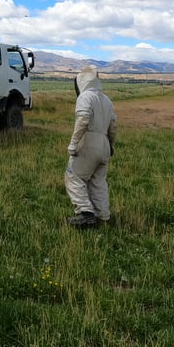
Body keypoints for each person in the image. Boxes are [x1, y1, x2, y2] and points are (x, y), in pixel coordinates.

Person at [64, 65, 117, 229]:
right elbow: (113, 125)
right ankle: (103, 216)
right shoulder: (107, 100)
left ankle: (85, 214)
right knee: (98, 181)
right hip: (104, 145)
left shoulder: (85, 97)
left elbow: (83, 118)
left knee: (74, 177)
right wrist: (111, 144)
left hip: (89, 142)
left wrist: (73, 143)